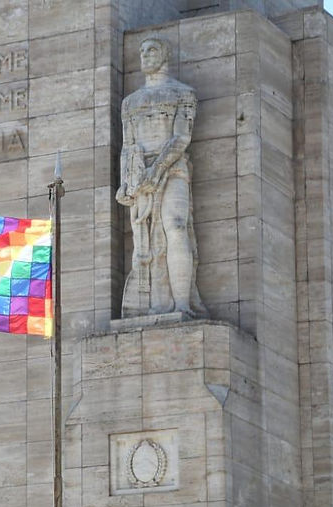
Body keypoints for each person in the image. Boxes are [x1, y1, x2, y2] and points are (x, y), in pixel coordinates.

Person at [116, 37, 207, 318]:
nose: (145, 55)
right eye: (142, 51)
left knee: (176, 226)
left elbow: (181, 138)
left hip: (172, 169)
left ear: (165, 54)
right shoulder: (130, 102)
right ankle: (154, 303)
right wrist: (126, 183)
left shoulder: (183, 94)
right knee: (146, 243)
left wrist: (156, 171)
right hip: (139, 175)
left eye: (151, 50)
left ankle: (182, 304)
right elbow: (128, 146)